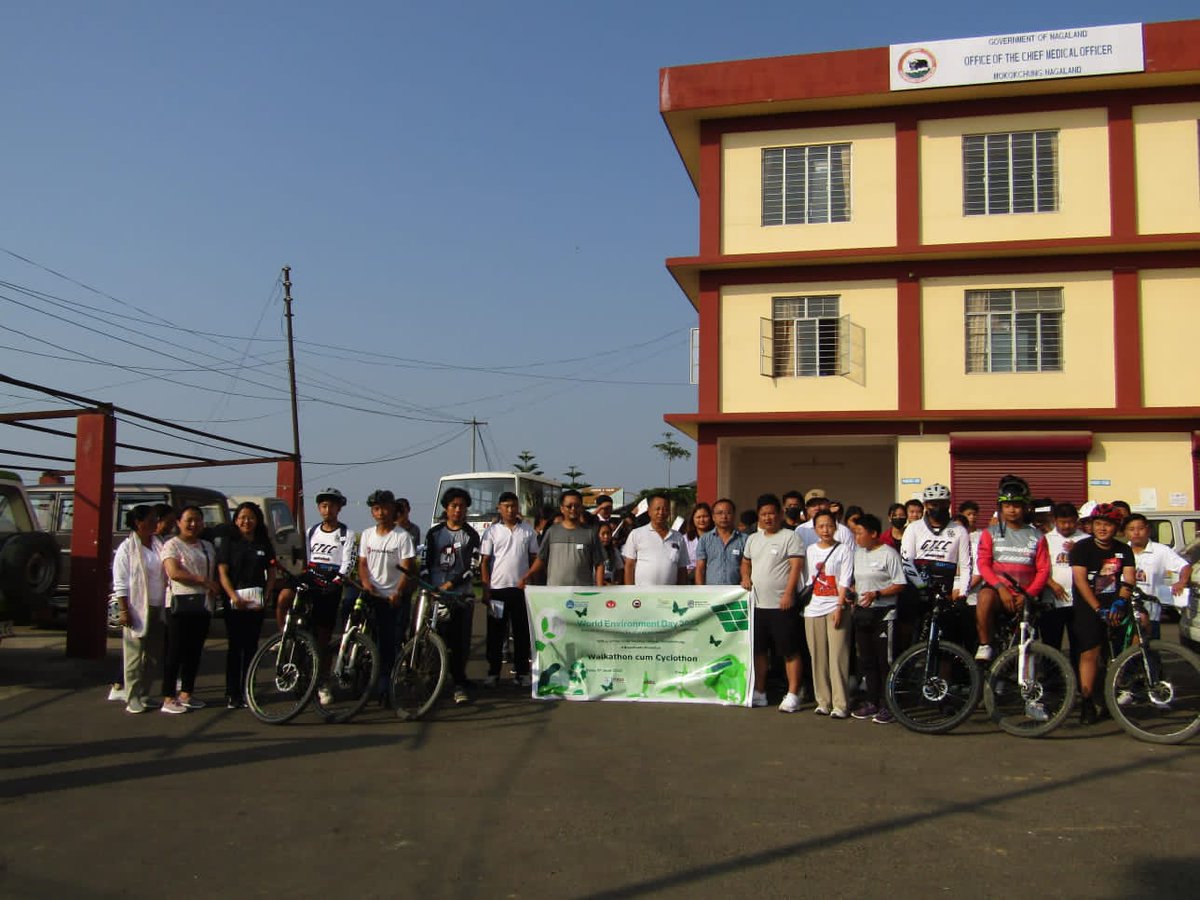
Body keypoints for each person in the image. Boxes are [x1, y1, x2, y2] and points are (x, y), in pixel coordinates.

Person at [1070, 503, 1136, 725]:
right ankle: (1087, 702)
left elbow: (1128, 578)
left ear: (1115, 527)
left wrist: (1121, 601)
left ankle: (1110, 698)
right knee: (1090, 654)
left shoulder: (1124, 550)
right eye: (1098, 523)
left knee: (1113, 656)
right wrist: (1098, 608)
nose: (1102, 528)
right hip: (1089, 608)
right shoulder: (1081, 548)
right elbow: (1080, 581)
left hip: (1115, 606)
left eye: (1107, 524)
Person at [973, 476, 1050, 662]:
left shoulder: (1037, 536)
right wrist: (1000, 588)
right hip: (999, 591)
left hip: (1025, 594)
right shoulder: (989, 533)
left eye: (1016, 505)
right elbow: (983, 564)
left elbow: (1043, 570)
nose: (1012, 510)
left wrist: (1028, 594)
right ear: (1001, 508)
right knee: (984, 597)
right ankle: (985, 645)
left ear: (1024, 507)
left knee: (1026, 643)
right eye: (1007, 506)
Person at [740, 494, 805, 712]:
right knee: (759, 652)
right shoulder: (752, 539)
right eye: (764, 514)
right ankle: (760, 691)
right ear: (758, 516)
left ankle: (793, 693)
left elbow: (796, 568)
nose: (768, 517)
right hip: (757, 605)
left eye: (772, 513)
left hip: (782, 605)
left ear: (779, 514)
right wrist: (745, 577)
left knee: (789, 651)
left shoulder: (790, 537)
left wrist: (789, 594)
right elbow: (745, 563)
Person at [357, 489, 417, 701]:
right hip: (370, 594)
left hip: (391, 598)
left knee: (387, 642)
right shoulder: (367, 535)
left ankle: (385, 684)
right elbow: (362, 564)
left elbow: (407, 568)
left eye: (384, 508)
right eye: (376, 509)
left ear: (393, 510)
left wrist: (398, 592)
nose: (380, 513)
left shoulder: (402, 537)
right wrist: (365, 583)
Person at [159, 505, 220, 715]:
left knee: (194, 651)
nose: (193, 524)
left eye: (197, 520)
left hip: (202, 605)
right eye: (189, 520)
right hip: (179, 604)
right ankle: (168, 696)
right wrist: (202, 580)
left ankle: (186, 693)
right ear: (179, 522)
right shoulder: (171, 545)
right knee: (174, 651)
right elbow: (173, 572)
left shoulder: (207, 546)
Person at [425, 486, 481, 704]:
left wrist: (450, 584)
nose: (458, 510)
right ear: (446, 509)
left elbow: (472, 568)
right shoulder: (434, 533)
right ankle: (434, 681)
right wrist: (431, 585)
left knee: (460, 644)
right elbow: (425, 563)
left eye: (462, 506)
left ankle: (459, 683)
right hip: (436, 597)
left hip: (461, 597)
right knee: (434, 640)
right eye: (453, 506)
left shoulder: (471, 535)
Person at [217, 502, 276, 709]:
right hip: (235, 602)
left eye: (250, 517)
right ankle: (232, 693)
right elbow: (222, 572)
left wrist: (267, 596)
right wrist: (233, 596)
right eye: (242, 517)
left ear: (257, 520)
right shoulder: (229, 541)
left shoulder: (263, 542)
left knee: (252, 648)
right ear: (235, 520)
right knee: (235, 647)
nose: (246, 521)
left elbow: (272, 572)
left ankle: (248, 690)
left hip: (256, 603)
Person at [900, 484, 973, 645]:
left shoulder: (959, 530)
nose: (938, 508)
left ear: (948, 504)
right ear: (926, 505)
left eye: (942, 504)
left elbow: (966, 565)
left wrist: (963, 594)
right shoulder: (913, 528)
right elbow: (906, 562)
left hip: (945, 591)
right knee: (909, 630)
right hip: (917, 588)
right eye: (933, 504)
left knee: (947, 639)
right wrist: (921, 587)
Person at [849, 513, 906, 724]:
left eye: (860, 533)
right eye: (855, 533)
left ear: (873, 533)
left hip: (884, 613)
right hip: (863, 614)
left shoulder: (889, 554)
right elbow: (856, 581)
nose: (857, 537)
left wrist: (878, 593)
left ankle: (888, 705)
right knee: (867, 660)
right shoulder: (858, 554)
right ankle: (872, 701)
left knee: (885, 662)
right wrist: (852, 593)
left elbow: (900, 583)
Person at [112, 505, 167, 714]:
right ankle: (132, 696)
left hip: (157, 606)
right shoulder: (127, 548)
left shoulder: (158, 545)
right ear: (138, 522)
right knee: (134, 655)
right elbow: (120, 583)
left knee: (153, 655)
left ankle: (145, 693)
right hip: (137, 608)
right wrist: (124, 610)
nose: (156, 522)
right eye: (152, 519)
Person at [480, 491, 538, 688]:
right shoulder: (492, 532)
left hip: (520, 589)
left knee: (521, 633)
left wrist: (528, 578)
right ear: (499, 508)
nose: (510, 510)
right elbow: (485, 561)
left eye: (514, 506)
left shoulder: (528, 531)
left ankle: (522, 673)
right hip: (497, 589)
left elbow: (534, 559)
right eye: (506, 506)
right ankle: (493, 672)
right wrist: (486, 588)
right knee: (496, 634)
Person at [802, 510, 855, 718]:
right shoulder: (809, 551)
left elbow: (845, 579)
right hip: (813, 609)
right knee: (818, 657)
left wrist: (840, 606)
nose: (825, 530)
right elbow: (806, 580)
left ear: (836, 527)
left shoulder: (843, 550)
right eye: (821, 526)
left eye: (829, 525)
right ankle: (822, 701)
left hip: (835, 607)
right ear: (815, 529)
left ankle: (840, 704)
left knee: (838, 657)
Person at [1124, 513, 1191, 640]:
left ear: (1148, 530)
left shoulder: (1161, 550)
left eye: (1140, 528)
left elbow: (1185, 567)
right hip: (1125, 610)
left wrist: (1182, 582)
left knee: (1149, 651)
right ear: (1126, 532)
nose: (1136, 533)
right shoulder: (1122, 550)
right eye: (1131, 529)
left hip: (1151, 613)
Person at [522, 490, 604, 588]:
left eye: (577, 506)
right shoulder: (552, 531)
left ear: (581, 508)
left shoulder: (590, 533)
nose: (573, 509)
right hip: (556, 592)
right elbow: (541, 558)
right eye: (569, 506)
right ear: (562, 509)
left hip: (582, 594)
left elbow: (599, 564)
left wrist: (600, 590)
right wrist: (528, 574)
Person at [1040, 502, 1086, 654]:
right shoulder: (1045, 539)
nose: (1067, 526)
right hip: (1052, 599)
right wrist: (1052, 584)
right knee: (1051, 644)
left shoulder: (1085, 540)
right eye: (1062, 522)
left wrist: (1078, 551)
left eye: (1071, 522)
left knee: (1078, 644)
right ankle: (1051, 676)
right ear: (1054, 520)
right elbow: (1039, 567)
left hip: (1078, 601)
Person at [623, 494, 688, 586]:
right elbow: (629, 565)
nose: (661, 512)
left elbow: (682, 568)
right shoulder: (636, 534)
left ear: (669, 512)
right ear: (649, 511)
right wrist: (629, 591)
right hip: (643, 594)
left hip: (670, 595)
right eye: (657, 509)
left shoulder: (678, 537)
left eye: (665, 509)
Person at [695, 498, 747, 586]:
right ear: (713, 517)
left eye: (728, 513)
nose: (724, 517)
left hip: (736, 593)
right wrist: (699, 590)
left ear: (734, 515)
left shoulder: (744, 539)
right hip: (712, 593)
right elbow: (700, 568)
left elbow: (746, 565)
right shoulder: (704, 539)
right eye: (720, 513)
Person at [682, 502, 714, 583]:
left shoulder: (717, 536)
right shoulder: (685, 539)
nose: (702, 520)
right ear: (693, 519)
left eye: (705, 516)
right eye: (698, 517)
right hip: (691, 578)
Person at [597, 520, 623, 585]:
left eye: (608, 533)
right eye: (603, 534)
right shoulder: (590, 552)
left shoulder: (614, 551)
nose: (606, 537)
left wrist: (616, 583)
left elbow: (620, 569)